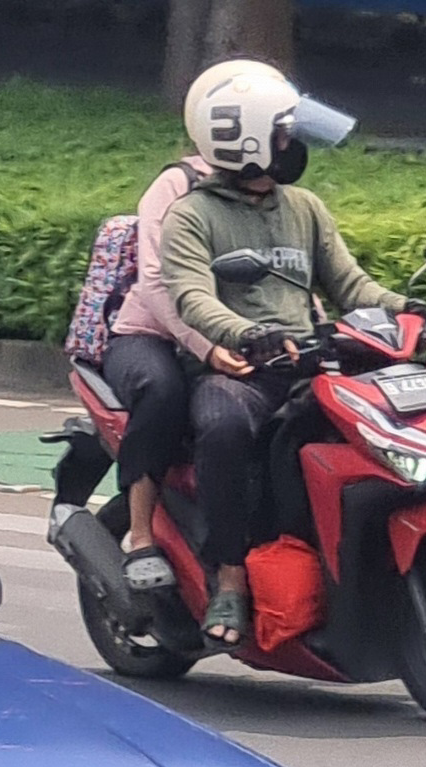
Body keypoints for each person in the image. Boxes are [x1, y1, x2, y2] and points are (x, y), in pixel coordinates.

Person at [163, 59, 425, 645]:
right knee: (224, 425)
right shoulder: (193, 215)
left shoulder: (304, 207)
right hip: (246, 370)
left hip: (314, 359)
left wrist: (410, 310)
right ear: (248, 140)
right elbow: (192, 299)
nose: (295, 141)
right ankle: (231, 574)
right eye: (284, 131)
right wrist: (245, 334)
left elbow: (354, 288)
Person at [101, 147, 219, 591]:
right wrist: (208, 345)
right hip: (151, 335)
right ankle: (142, 534)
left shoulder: (275, 193)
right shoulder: (176, 185)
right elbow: (155, 282)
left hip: (235, 338)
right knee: (162, 390)